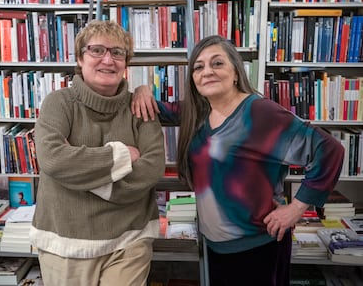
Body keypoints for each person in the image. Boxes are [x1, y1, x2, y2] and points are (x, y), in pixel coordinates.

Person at [131, 35, 344, 286]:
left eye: (217, 63)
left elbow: (330, 150)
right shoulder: (198, 113)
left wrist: (297, 208)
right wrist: (140, 89)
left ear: (235, 72)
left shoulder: (261, 113)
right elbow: (152, 109)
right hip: (214, 247)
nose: (207, 71)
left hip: (258, 247)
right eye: (198, 67)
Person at [30, 20, 166, 286]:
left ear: (126, 63)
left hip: (130, 239)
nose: (108, 59)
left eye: (117, 52)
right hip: (65, 243)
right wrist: (122, 156)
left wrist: (83, 176)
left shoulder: (141, 106)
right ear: (80, 58)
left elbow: (152, 168)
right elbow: (53, 159)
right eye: (97, 50)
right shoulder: (58, 103)